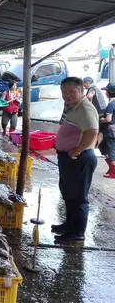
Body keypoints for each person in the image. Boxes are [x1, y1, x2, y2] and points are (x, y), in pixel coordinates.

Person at [52, 77, 99, 243]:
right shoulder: (73, 106)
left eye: (72, 91)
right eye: (64, 92)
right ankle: (68, 224)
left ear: (82, 91)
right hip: (68, 158)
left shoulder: (85, 108)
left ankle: (77, 233)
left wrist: (76, 150)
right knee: (68, 193)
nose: (67, 95)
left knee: (78, 197)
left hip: (79, 158)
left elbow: (92, 132)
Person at [98, 83, 115, 177]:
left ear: (110, 92)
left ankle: (114, 172)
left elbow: (108, 119)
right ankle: (111, 169)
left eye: (106, 91)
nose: (105, 93)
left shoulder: (111, 104)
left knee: (111, 151)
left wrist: (101, 120)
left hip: (111, 131)